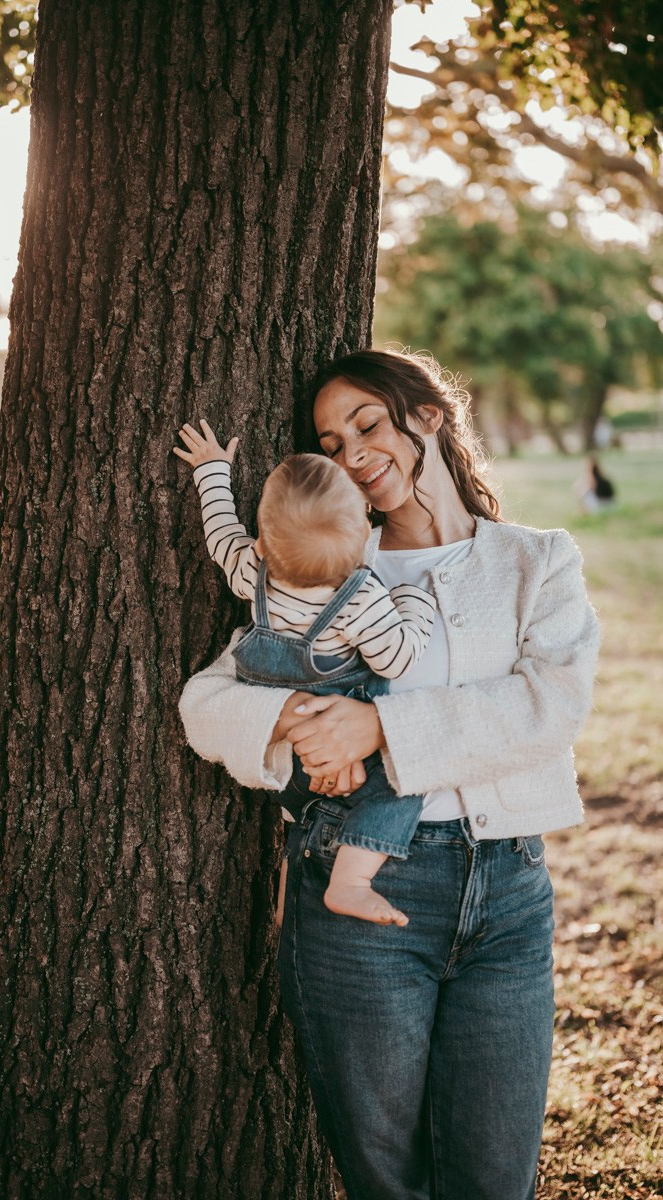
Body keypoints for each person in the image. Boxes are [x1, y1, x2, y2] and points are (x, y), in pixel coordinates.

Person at [178, 348, 600, 1200]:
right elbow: (207, 700)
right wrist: (292, 722)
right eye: (331, 443)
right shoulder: (321, 565)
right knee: (386, 1177)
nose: (354, 453)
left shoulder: (535, 560)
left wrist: (378, 724)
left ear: (428, 419)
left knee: (493, 1176)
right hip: (352, 889)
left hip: (508, 892)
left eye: (368, 424)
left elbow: (550, 706)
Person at [173, 422, 436, 925]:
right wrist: (413, 602)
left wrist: (211, 471)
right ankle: (353, 880)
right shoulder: (360, 598)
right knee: (405, 780)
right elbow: (396, 659)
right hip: (347, 732)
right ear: (364, 537)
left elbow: (222, 534)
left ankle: (291, 882)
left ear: (264, 544)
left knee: (300, 814)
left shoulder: (254, 574)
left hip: (285, 747)